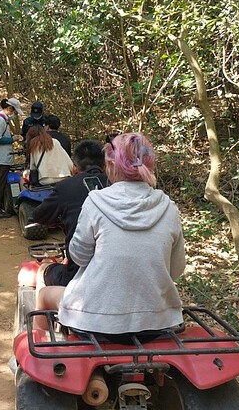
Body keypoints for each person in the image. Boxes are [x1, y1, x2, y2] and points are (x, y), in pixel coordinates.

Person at [35, 133, 186, 336]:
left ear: (111, 166)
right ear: (150, 164)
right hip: (157, 323)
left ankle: (41, 352)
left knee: (44, 294)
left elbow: (79, 257)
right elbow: (176, 269)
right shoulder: (168, 207)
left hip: (93, 322)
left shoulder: (96, 201)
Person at [32, 140, 108, 288]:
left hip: (78, 275)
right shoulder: (115, 186)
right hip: (113, 274)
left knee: (42, 270)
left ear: (74, 168)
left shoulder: (66, 187)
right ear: (105, 165)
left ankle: (43, 308)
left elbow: (39, 215)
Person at [0, 98, 24, 219]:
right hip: (1, 157)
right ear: (10, 109)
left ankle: (0, 207)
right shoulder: (0, 120)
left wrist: (12, 136)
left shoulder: (3, 120)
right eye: (14, 111)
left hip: (4, 156)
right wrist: (12, 139)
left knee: (3, 182)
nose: (14, 115)